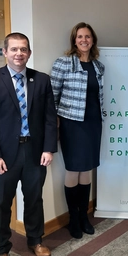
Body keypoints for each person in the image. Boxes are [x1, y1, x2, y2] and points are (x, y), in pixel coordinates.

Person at [0, 32, 57, 256]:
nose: (19, 53)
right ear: (5, 52)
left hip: (34, 151)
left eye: (23, 49)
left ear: (29, 53)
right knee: (1, 203)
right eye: (14, 49)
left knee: (34, 199)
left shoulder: (41, 80)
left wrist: (48, 147)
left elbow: (50, 118)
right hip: (4, 155)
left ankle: (35, 240)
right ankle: (1, 250)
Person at [50, 22, 104, 239]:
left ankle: (84, 216)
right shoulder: (63, 63)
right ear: (74, 40)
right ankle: (73, 219)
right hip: (71, 124)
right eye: (80, 37)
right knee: (73, 170)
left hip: (93, 124)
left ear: (93, 40)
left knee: (87, 170)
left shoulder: (98, 66)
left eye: (88, 37)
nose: (84, 40)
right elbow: (52, 97)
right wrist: (53, 124)